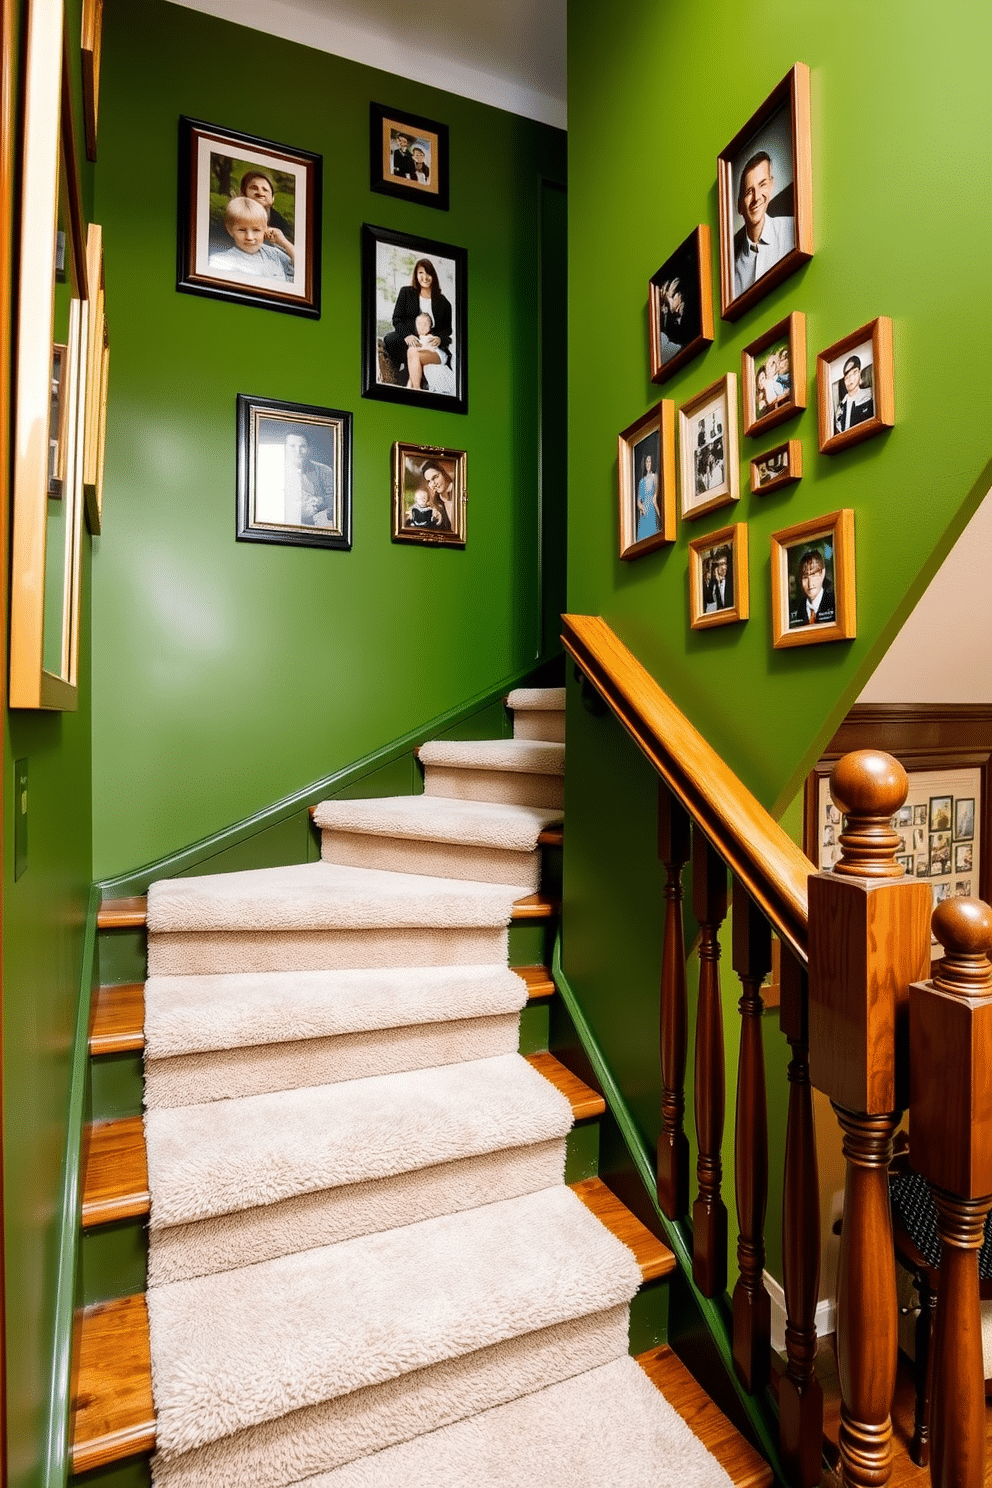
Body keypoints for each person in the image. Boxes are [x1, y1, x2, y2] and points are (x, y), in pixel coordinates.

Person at [381, 258, 453, 391]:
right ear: (416, 274)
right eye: (421, 273)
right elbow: (397, 319)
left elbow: (447, 330)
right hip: (410, 338)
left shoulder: (443, 302)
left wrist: (439, 339)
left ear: (434, 276)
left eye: (428, 273)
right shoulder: (406, 292)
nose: (424, 277)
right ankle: (403, 371)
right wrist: (407, 336)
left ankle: (411, 377)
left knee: (412, 365)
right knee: (390, 339)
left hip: (429, 343)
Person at [733, 150, 795, 297]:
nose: (756, 197)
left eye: (762, 184)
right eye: (749, 192)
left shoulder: (793, 229)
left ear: (771, 185)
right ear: (740, 206)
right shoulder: (732, 274)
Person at [208, 196, 294, 280]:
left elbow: (302, 270)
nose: (249, 237)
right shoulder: (221, 262)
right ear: (230, 230)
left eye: (256, 230)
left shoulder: (275, 254)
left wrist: (284, 243)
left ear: (265, 230)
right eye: (242, 230)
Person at [281, 430, 335, 526]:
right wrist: (298, 510)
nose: (298, 451)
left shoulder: (324, 470)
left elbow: (335, 500)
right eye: (292, 446)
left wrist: (319, 503)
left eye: (302, 446)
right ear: (285, 448)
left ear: (309, 448)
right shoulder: (274, 472)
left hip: (317, 526)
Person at [239, 169, 292, 241]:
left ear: (272, 198)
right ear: (243, 194)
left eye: (265, 189)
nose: (260, 193)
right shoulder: (233, 217)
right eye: (254, 188)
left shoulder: (281, 224)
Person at [789, 547, 836, 627]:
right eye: (805, 577)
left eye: (813, 575)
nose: (810, 583)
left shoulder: (834, 603)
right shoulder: (794, 610)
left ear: (822, 573)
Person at [833, 355, 875, 434]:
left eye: (854, 372)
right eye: (847, 376)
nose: (850, 379)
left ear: (859, 373)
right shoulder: (841, 407)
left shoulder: (869, 396)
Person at [421, 458, 454, 530]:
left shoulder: (459, 490)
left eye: (435, 477)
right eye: (429, 481)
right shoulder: (435, 503)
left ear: (443, 473)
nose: (433, 484)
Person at [636, 452, 659, 540]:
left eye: (649, 462)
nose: (648, 464)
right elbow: (639, 501)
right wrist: (642, 509)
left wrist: (659, 515)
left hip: (652, 510)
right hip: (644, 514)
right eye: (647, 462)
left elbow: (655, 497)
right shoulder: (641, 481)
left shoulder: (654, 477)